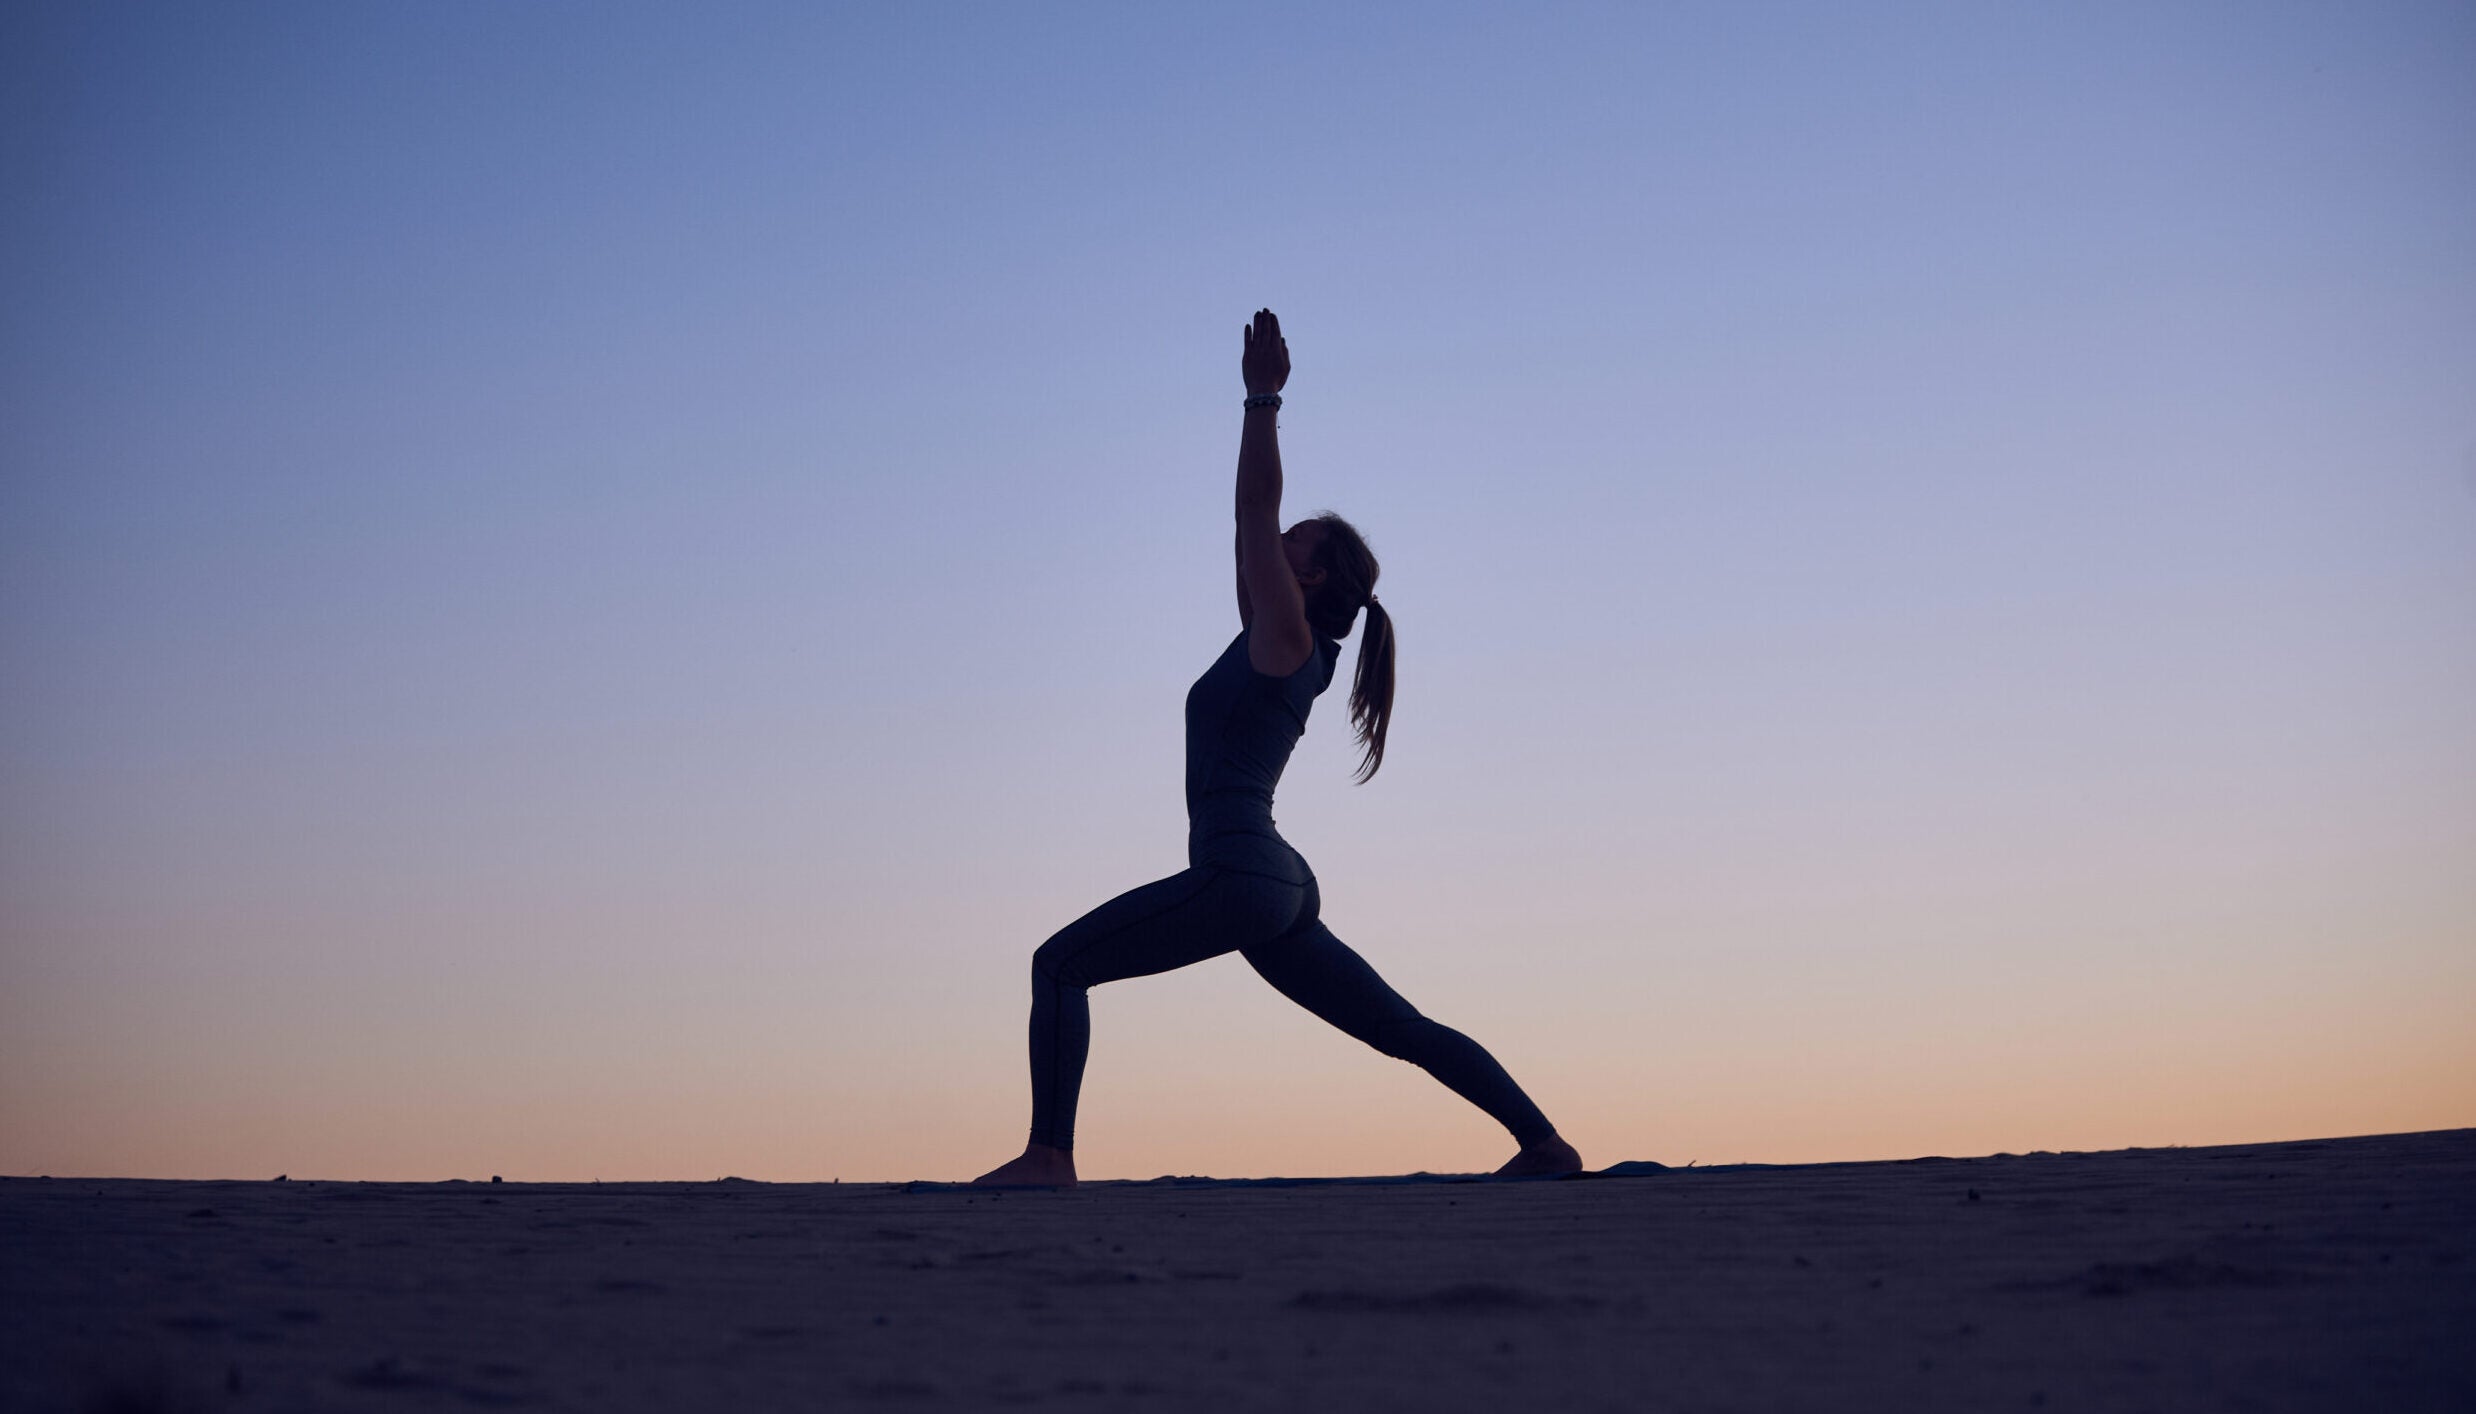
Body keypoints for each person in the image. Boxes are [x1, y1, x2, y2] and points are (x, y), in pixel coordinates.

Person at [972, 310, 1583, 1188]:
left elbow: (1254, 507)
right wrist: (1256, 436)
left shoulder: (1289, 636)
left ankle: (1048, 1157)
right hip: (1279, 884)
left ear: (1314, 575)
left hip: (1245, 873)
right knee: (1399, 1029)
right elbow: (1246, 519)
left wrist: (1263, 399)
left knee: (1059, 964)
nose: (1279, 534)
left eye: (1297, 540)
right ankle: (1546, 1146)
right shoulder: (1278, 636)